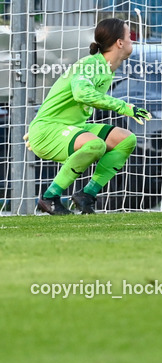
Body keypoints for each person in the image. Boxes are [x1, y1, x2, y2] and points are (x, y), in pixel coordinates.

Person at [29, 17, 152, 215]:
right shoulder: (90, 65)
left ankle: (87, 195)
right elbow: (82, 93)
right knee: (96, 145)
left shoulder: (105, 67)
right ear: (120, 43)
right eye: (130, 37)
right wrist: (125, 107)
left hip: (64, 128)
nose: (133, 41)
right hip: (48, 130)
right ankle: (49, 197)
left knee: (126, 139)